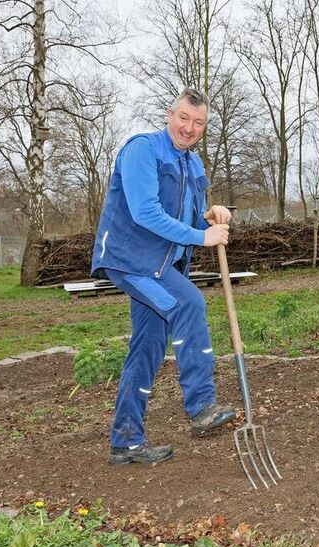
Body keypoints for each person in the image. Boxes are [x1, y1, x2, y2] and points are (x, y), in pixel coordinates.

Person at [91, 88, 236, 466]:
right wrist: (202, 238)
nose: (189, 128)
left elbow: (185, 217)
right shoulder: (143, 150)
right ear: (169, 114)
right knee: (188, 303)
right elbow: (145, 212)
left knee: (147, 349)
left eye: (198, 123)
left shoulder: (193, 164)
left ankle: (126, 442)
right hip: (133, 261)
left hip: (161, 265)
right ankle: (201, 406)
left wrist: (209, 215)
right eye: (183, 118)